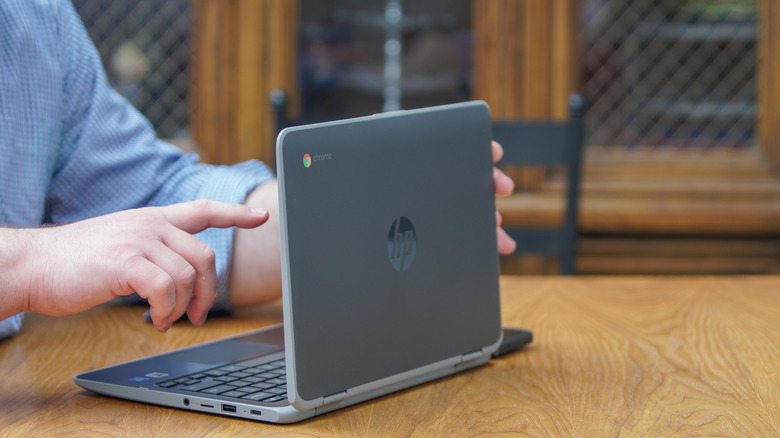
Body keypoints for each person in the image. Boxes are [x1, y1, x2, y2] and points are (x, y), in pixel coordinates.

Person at [0, 1, 516, 339]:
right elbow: (57, 254)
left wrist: (362, 208)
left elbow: (154, 201)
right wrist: (30, 261)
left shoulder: (37, 19)